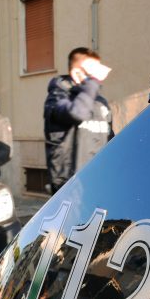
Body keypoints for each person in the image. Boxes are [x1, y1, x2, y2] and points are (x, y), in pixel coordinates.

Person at [44, 47, 114, 194]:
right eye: (93, 71)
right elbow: (77, 113)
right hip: (69, 185)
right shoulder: (58, 96)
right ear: (76, 73)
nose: (98, 76)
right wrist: (92, 81)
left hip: (97, 180)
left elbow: (109, 138)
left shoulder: (100, 102)